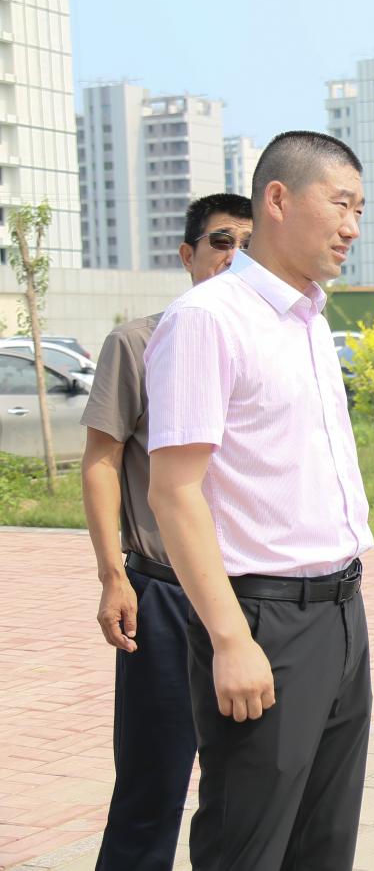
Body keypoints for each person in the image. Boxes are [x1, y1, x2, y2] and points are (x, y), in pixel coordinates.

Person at [145, 130, 372, 870]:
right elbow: (174, 491)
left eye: (360, 210)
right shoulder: (209, 318)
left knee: (324, 845)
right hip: (263, 620)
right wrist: (230, 640)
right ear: (277, 198)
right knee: (248, 847)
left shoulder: (310, 319)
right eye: (340, 204)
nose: (353, 227)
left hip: (341, 612)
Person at [82, 193, 252, 871]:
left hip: (254, 594)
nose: (234, 256)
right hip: (165, 595)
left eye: (248, 244)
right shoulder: (138, 343)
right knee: (152, 788)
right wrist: (112, 575)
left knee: (248, 787)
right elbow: (102, 461)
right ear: (188, 255)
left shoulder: (267, 346)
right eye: (221, 241)